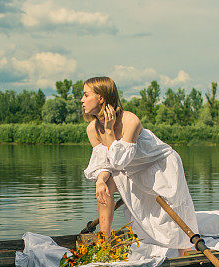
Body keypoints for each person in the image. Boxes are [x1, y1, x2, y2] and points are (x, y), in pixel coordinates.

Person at [81, 76, 199, 254]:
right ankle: (104, 243)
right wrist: (100, 181)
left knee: (173, 211)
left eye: (85, 95)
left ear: (101, 98)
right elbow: (105, 163)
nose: (81, 100)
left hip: (161, 165)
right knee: (104, 186)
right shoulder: (92, 128)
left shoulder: (130, 120)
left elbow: (120, 160)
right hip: (132, 169)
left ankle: (184, 251)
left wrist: (109, 131)